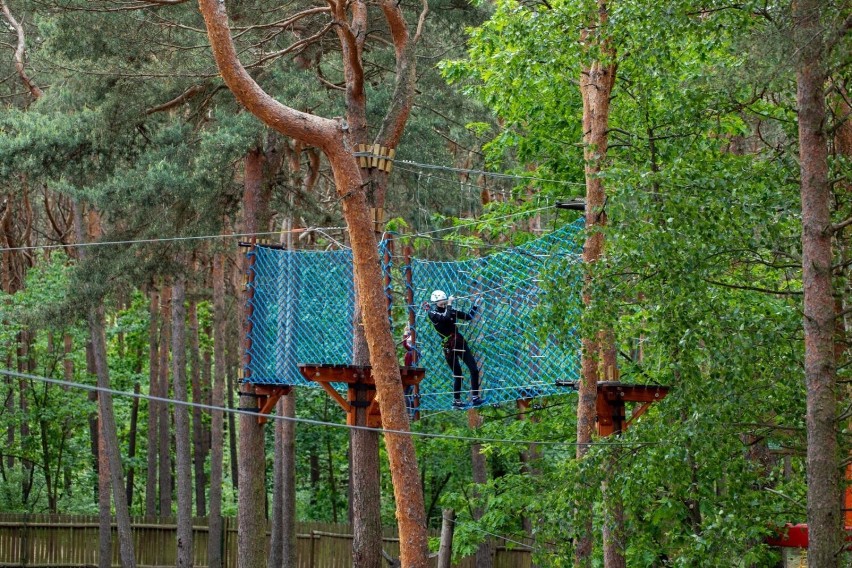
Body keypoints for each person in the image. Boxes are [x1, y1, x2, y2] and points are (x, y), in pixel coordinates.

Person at [423, 290, 483, 409]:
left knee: (474, 369)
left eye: (444, 300)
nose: (443, 303)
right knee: (458, 374)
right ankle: (456, 401)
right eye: (440, 301)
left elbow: (468, 317)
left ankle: (475, 397)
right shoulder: (432, 313)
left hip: (459, 342)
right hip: (448, 346)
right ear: (435, 302)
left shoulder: (451, 311)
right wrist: (449, 304)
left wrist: (476, 304)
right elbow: (445, 318)